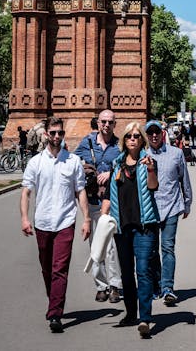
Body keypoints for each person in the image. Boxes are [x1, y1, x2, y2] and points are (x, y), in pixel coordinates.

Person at [20, 117, 90, 333]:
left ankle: (55, 314)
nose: (57, 136)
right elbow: (26, 191)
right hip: (42, 221)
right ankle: (54, 300)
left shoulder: (73, 162)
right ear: (46, 135)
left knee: (60, 269)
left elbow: (80, 191)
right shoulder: (36, 163)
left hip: (65, 222)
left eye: (60, 133)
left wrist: (86, 218)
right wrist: (24, 218)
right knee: (47, 268)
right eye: (53, 133)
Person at [101, 122, 159, 338]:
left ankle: (145, 318)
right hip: (122, 227)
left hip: (145, 227)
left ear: (142, 140)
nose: (133, 139)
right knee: (126, 273)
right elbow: (108, 194)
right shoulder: (116, 165)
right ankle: (131, 313)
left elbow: (153, 186)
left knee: (143, 271)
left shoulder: (147, 161)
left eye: (136, 136)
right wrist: (103, 220)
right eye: (129, 136)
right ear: (123, 140)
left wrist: (151, 169)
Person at [74, 109, 122, 303]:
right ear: (98, 123)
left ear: (114, 124)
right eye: (103, 121)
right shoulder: (86, 143)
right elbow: (73, 161)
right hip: (92, 199)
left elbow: (127, 164)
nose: (106, 125)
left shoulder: (119, 146)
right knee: (95, 244)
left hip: (111, 200)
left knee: (109, 244)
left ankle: (114, 285)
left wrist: (112, 173)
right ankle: (100, 285)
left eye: (110, 122)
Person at [146, 119, 192, 305]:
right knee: (151, 251)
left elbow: (184, 179)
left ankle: (167, 288)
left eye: (157, 131)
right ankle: (156, 286)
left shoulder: (176, 153)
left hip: (171, 206)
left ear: (163, 133)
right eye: (151, 132)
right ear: (147, 135)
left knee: (167, 248)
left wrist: (187, 202)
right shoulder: (143, 155)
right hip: (150, 209)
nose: (155, 135)